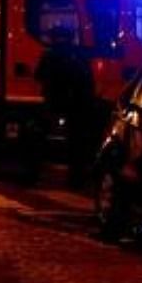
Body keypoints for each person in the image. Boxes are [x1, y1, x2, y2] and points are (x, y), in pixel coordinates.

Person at [34, 25, 96, 189]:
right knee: (77, 143)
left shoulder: (49, 55)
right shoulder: (78, 54)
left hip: (54, 102)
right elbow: (88, 79)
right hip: (76, 104)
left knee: (41, 137)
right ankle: (76, 179)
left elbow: (38, 75)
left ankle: (35, 173)